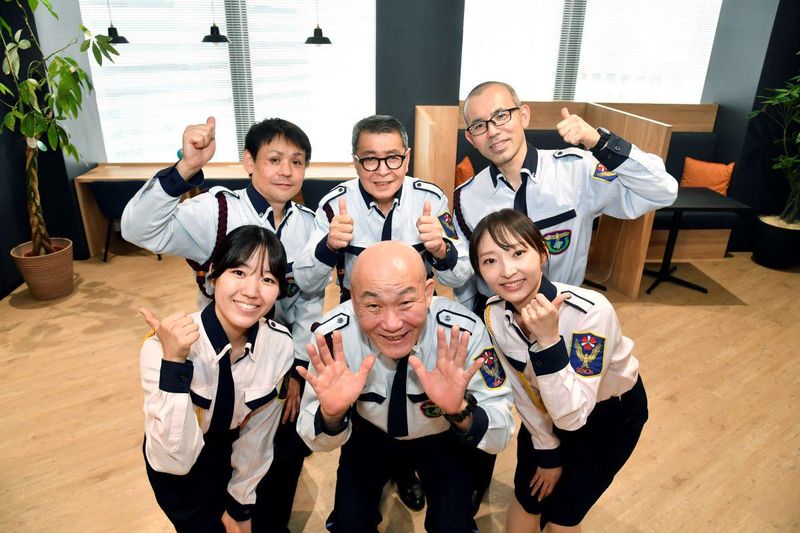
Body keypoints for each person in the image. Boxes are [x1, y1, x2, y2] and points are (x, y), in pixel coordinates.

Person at [122, 117, 322, 532]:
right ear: (249, 161)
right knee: (206, 461)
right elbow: (139, 229)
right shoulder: (218, 209)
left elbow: (308, 300)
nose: (286, 171)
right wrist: (186, 168)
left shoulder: (308, 223)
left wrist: (297, 369)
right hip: (217, 360)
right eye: (274, 159)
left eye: (297, 161)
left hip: (278, 360)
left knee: (277, 458)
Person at [293, 114, 474, 509]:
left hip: (415, 323)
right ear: (355, 161)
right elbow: (305, 281)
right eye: (370, 159)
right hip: (359, 326)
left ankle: (407, 468)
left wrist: (442, 248)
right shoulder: (333, 204)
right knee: (362, 397)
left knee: (415, 394)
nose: (382, 170)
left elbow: (461, 274)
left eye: (392, 158)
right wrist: (328, 246)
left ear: (406, 158)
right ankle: (368, 468)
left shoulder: (431, 199)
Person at [295, 241, 514, 532]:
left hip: (440, 434)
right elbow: (313, 437)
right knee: (350, 523)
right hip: (368, 433)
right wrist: (331, 416)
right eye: (373, 305)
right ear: (353, 300)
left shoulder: (463, 333)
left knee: (453, 524)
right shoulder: (332, 338)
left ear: (428, 293)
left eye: (406, 303)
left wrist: (460, 411)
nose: (392, 324)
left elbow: (502, 431)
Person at [470, 209, 649, 532]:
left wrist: (549, 342)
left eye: (518, 253)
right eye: (490, 260)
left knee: (563, 516)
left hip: (607, 417)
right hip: (542, 408)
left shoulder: (590, 312)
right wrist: (546, 449)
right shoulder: (494, 314)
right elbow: (520, 387)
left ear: (542, 252)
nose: (507, 271)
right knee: (529, 497)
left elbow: (574, 417)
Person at [453, 80, 678, 312]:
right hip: (499, 318)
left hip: (564, 312)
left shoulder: (576, 171)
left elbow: (662, 191)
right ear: (471, 138)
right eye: (479, 125)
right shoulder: (466, 199)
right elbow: (466, 279)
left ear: (524, 116)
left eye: (501, 116)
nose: (492, 131)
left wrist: (601, 142)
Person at [139, 225, 295, 533]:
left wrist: (240, 504)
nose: (252, 291)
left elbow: (259, 434)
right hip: (176, 460)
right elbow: (174, 460)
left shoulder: (280, 345)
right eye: (239, 272)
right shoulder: (162, 346)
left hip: (234, 451)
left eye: (267, 279)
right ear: (213, 276)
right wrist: (174, 364)